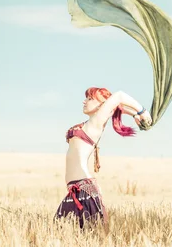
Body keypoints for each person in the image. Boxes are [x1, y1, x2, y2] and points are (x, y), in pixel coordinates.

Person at [54, 87, 152, 229]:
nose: (85, 101)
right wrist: (134, 114)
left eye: (90, 99)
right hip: (74, 189)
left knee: (89, 236)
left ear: (102, 105)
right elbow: (117, 107)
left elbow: (119, 96)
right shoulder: (88, 124)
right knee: (62, 234)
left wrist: (142, 112)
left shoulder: (96, 122)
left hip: (84, 189)